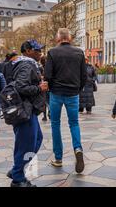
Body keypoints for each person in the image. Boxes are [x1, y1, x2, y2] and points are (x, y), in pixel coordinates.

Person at [45, 28, 87, 174]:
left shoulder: (52, 52)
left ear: (58, 38)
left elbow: (47, 75)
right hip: (73, 93)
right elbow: (84, 76)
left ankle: (58, 158)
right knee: (74, 123)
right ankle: (78, 148)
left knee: (55, 124)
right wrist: (78, 89)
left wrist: (50, 87)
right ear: (69, 38)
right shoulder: (79, 52)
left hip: (56, 93)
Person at [9, 40, 48, 187]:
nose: (40, 53)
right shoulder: (27, 64)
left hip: (28, 110)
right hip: (25, 110)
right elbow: (21, 86)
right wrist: (40, 88)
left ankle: (16, 171)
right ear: (27, 50)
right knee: (26, 145)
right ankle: (18, 178)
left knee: (35, 140)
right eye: (37, 50)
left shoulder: (28, 64)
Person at [39, 56, 50, 121]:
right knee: (49, 101)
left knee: (44, 102)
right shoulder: (50, 67)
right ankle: (50, 112)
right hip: (49, 86)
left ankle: (45, 116)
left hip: (43, 86)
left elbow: (38, 77)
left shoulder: (40, 68)